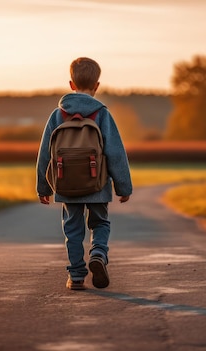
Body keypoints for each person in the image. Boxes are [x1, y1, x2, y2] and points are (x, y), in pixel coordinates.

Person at [36, 57, 133, 290]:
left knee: (73, 230)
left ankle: (77, 276)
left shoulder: (57, 116)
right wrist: (123, 187)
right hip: (97, 185)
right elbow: (116, 153)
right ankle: (98, 253)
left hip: (66, 185)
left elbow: (45, 154)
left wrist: (43, 187)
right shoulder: (101, 114)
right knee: (100, 222)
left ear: (71, 84)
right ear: (97, 86)